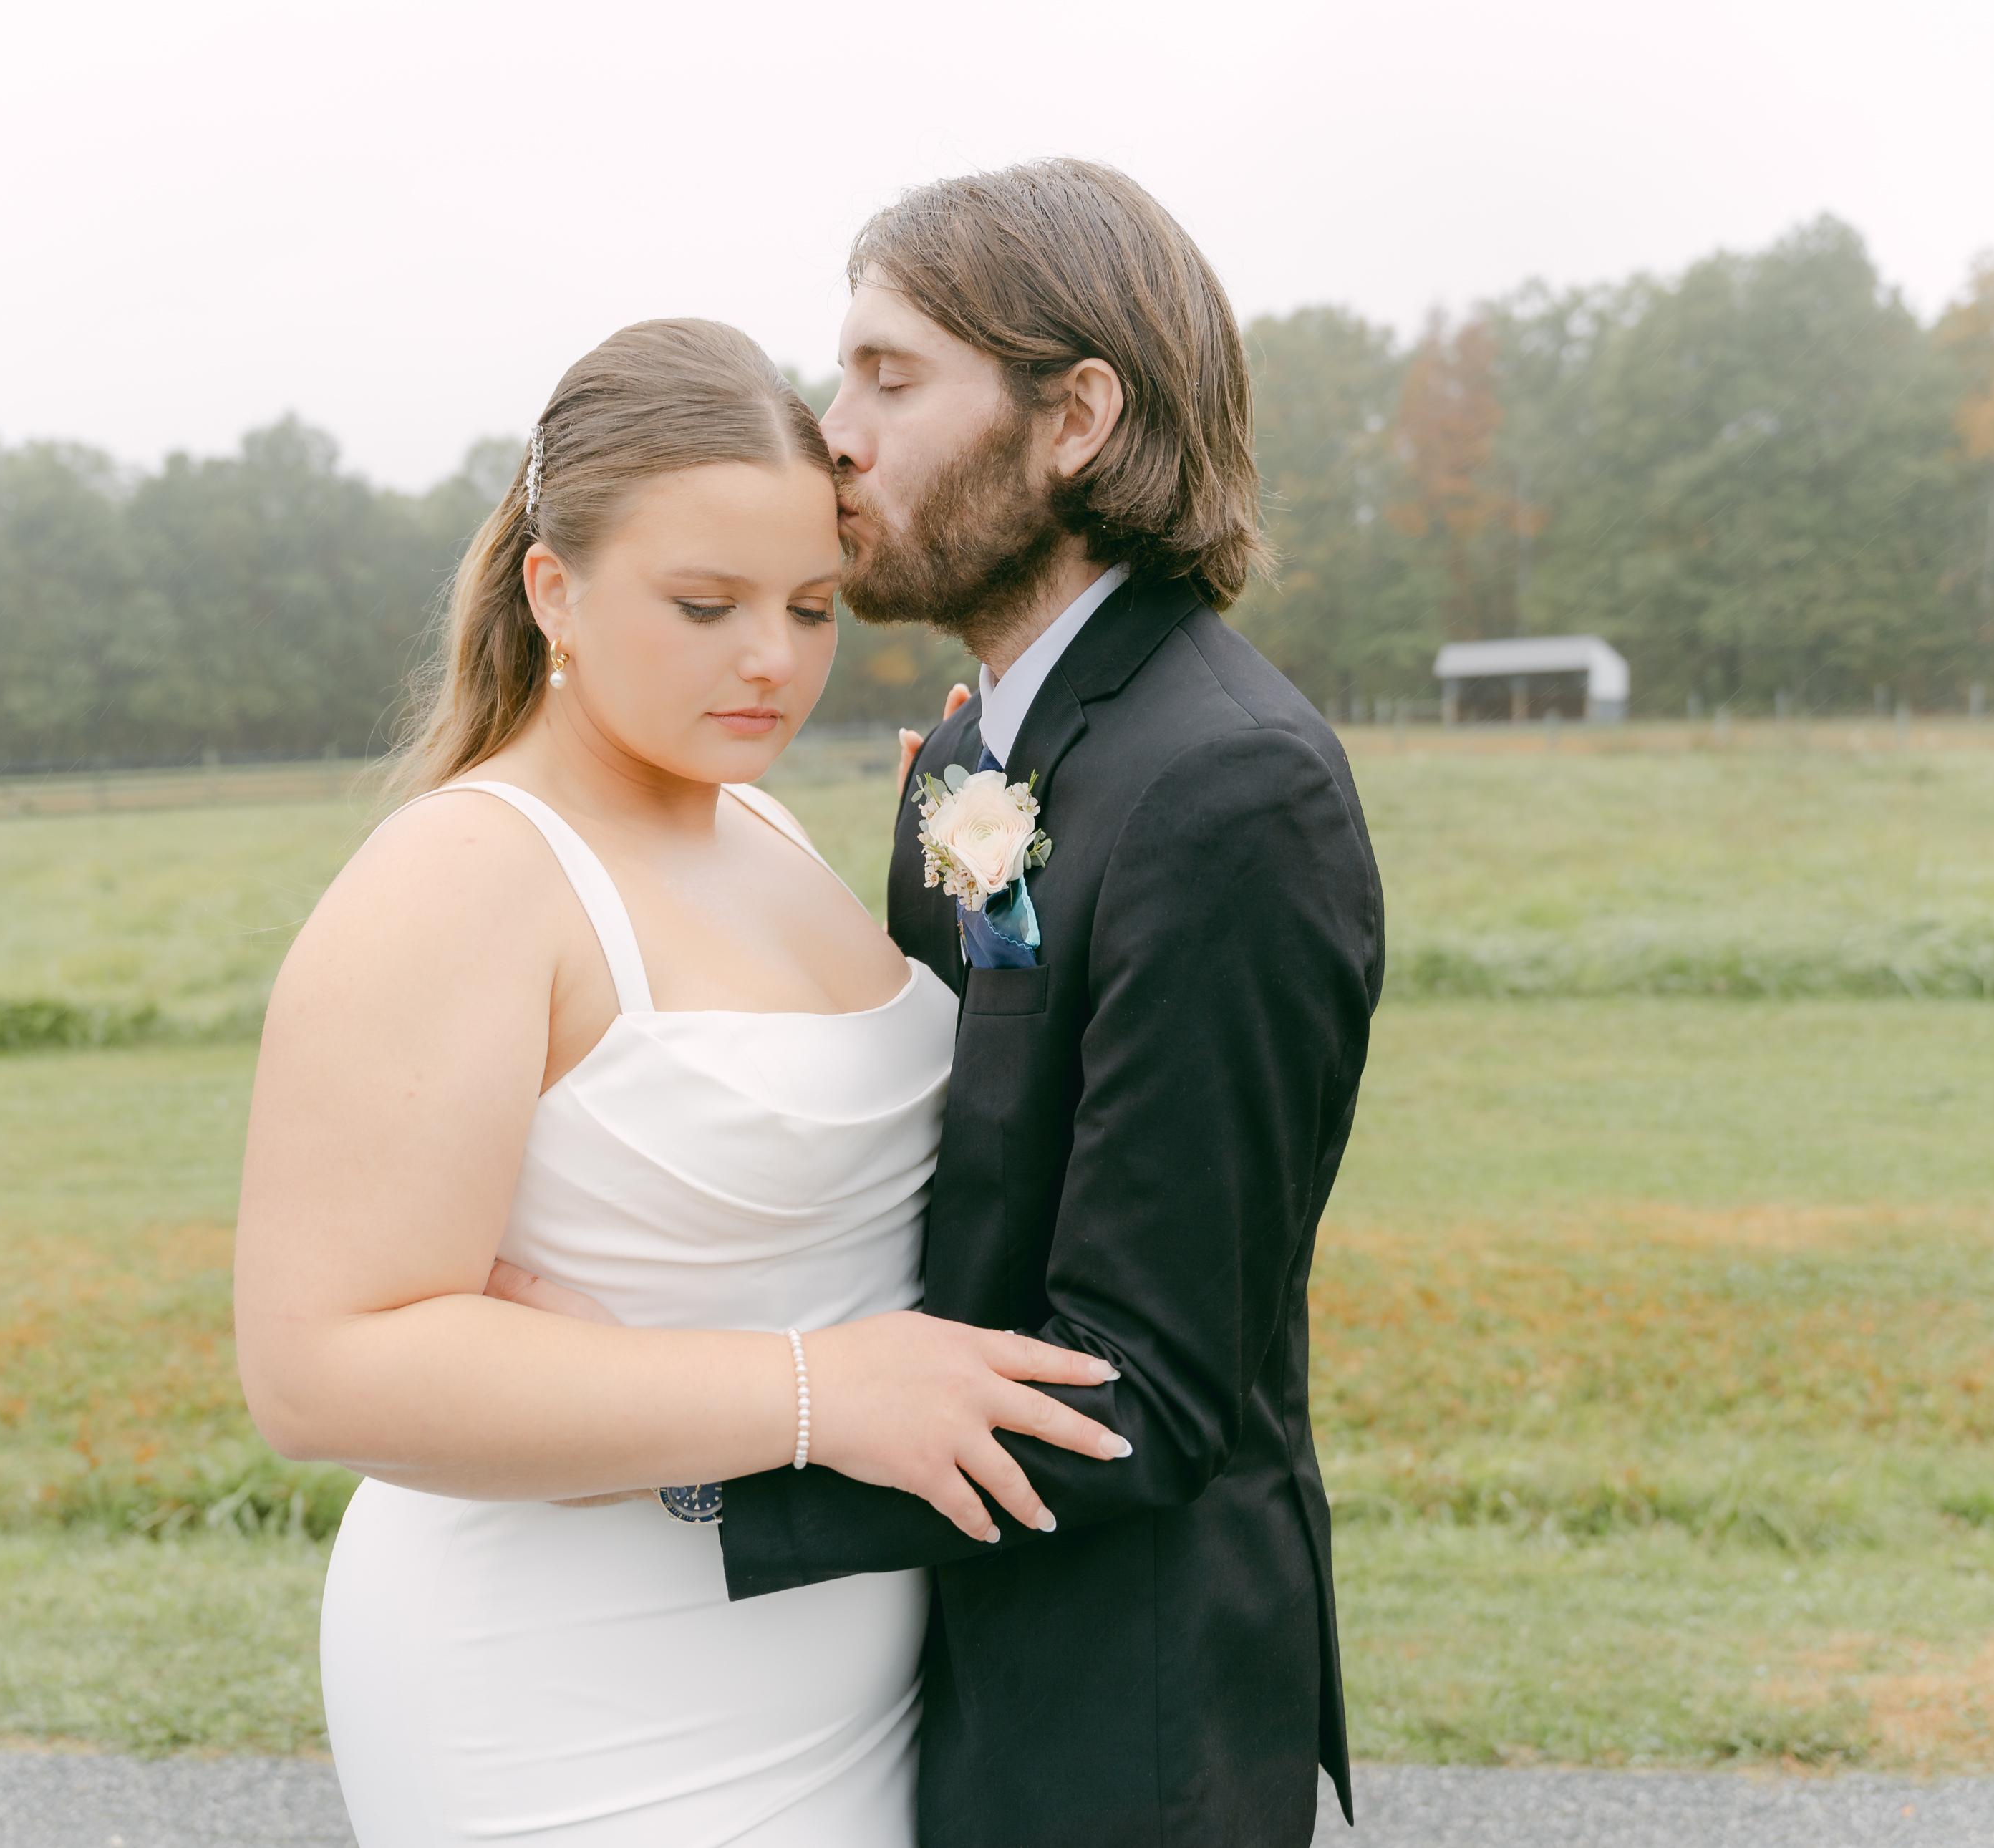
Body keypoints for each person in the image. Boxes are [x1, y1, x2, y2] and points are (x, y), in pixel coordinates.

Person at [229, 316, 1131, 1847]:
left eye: (811, 605)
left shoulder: (765, 832)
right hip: (567, 1693)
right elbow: (317, 1368)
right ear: (553, 590)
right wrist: (812, 1391)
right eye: (706, 605)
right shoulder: (464, 875)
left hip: (844, 1679)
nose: (772, 658)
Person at [698, 159, 1387, 1847]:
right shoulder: (969, 754)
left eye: (889, 378)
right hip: (916, 1677)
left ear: (1073, 417)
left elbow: (1143, 1389)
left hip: (1119, 1735)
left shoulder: (1231, 787)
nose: (832, 436)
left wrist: (691, 1454)